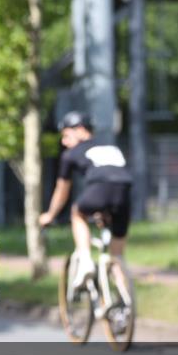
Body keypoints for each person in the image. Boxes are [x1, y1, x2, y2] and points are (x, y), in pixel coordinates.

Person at [38, 111, 133, 299]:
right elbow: (114, 176)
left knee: (77, 213)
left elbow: (62, 190)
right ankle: (126, 303)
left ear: (80, 130)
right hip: (125, 192)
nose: (64, 142)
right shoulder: (112, 148)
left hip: (100, 188)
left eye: (66, 135)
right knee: (117, 256)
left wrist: (50, 215)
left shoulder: (70, 154)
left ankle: (85, 259)